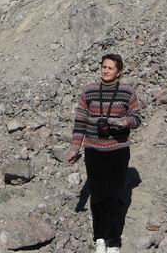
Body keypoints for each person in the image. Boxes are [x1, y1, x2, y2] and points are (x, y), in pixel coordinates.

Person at [66, 53, 142, 253]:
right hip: (93, 150)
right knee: (98, 195)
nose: (105, 71)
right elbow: (80, 121)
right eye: (103, 67)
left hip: (118, 150)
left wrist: (123, 122)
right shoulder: (89, 91)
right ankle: (99, 237)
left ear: (119, 72)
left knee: (116, 195)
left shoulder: (127, 92)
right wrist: (74, 147)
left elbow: (136, 118)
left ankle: (114, 241)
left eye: (110, 68)